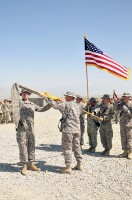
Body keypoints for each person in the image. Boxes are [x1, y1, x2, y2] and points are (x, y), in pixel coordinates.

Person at [16, 89, 51, 175]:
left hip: (31, 129)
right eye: (23, 93)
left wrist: (49, 102)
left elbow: (42, 109)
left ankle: (31, 164)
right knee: (23, 147)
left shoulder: (32, 104)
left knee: (31, 146)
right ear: (21, 94)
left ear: (29, 94)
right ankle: (24, 166)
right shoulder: (18, 103)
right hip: (22, 129)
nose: (25, 94)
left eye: (27, 93)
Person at [47, 91, 83, 174]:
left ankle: (68, 167)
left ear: (70, 97)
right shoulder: (78, 105)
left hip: (68, 130)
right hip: (77, 130)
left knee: (67, 148)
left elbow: (55, 106)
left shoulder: (66, 104)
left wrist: (48, 98)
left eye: (67, 96)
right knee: (77, 147)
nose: (65, 97)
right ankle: (79, 164)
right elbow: (70, 114)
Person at [114, 93, 132, 159]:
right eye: (124, 97)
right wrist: (116, 102)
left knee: (129, 138)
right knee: (123, 138)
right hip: (122, 124)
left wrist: (125, 108)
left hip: (129, 124)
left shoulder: (131, 104)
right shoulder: (121, 104)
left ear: (129, 97)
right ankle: (125, 152)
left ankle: (130, 152)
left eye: (126, 97)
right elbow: (115, 108)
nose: (125, 98)